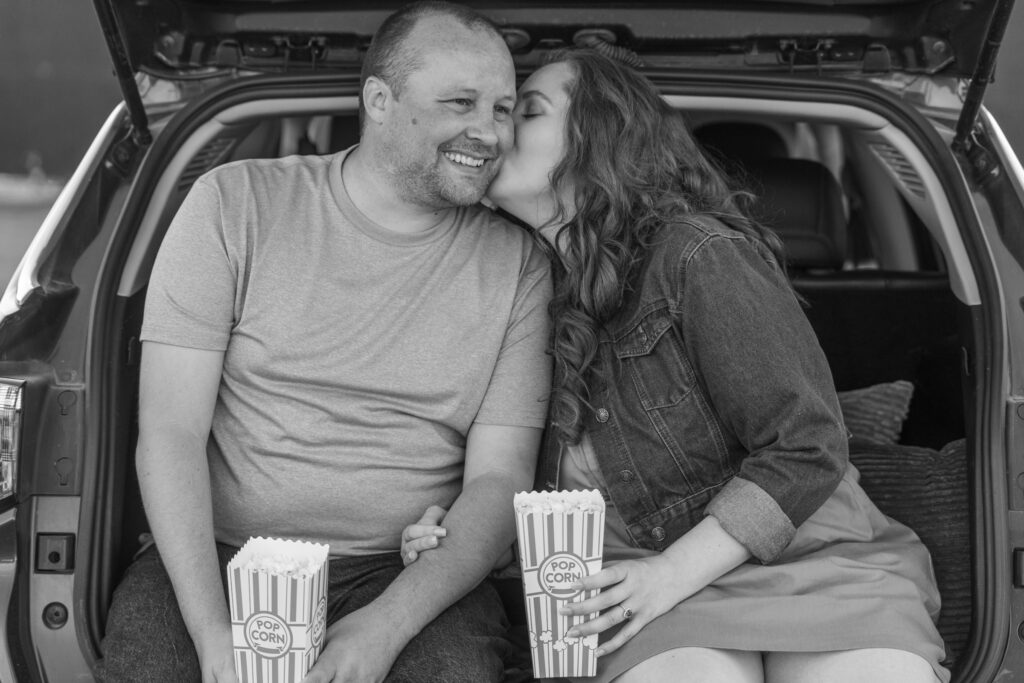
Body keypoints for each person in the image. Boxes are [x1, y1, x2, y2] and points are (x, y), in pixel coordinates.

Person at [401, 49, 949, 682]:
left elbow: (808, 445)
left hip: (809, 564)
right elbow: (547, 493)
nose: (497, 131)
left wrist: (668, 576)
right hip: (635, 592)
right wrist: (462, 538)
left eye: (525, 111)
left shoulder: (695, 254)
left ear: (600, 135)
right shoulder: (514, 290)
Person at [97, 3, 552, 682]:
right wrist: (213, 633)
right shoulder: (234, 204)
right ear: (379, 100)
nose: (488, 133)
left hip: (404, 568)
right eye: (461, 102)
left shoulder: (520, 264)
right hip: (220, 553)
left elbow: (499, 479)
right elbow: (169, 430)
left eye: (503, 108)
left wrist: (386, 624)